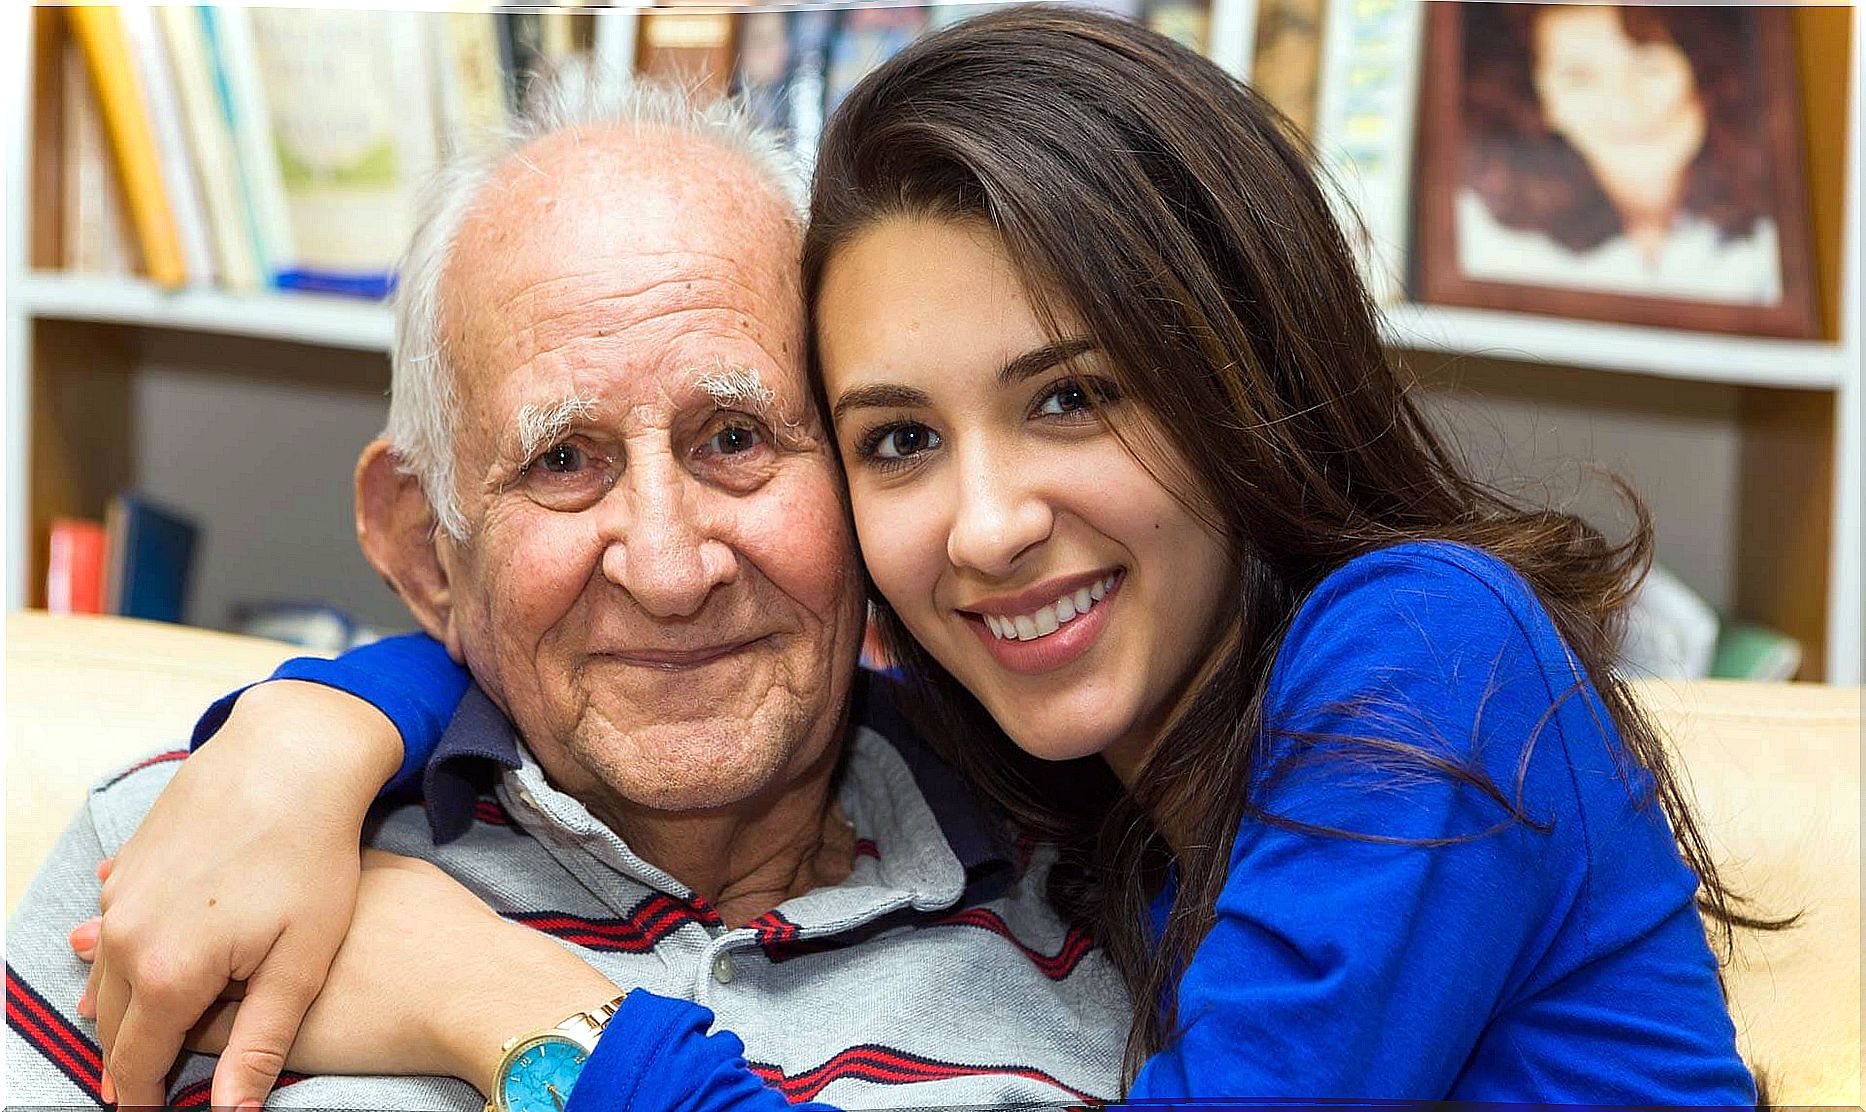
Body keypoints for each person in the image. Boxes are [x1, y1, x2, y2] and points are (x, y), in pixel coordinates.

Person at [66, 6, 1761, 1107]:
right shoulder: (1083, 789)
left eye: (1073, 396)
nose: (988, 522)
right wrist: (331, 722)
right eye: (898, 439)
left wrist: (498, 1005)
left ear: (1242, 371)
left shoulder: (1422, 654)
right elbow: (608, 623)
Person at [4, 65, 1130, 1112]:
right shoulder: (199, 857)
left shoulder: (1109, 890)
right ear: (422, 543)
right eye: (563, 460)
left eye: (734, 435)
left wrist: (509, 1007)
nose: (671, 568)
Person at [1458, 3, 1783, 304]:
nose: (1625, 106)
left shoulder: (1782, 218)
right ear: (1543, 103)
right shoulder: (1484, 236)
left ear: (1702, 74)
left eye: (1649, 65)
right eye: (1579, 79)